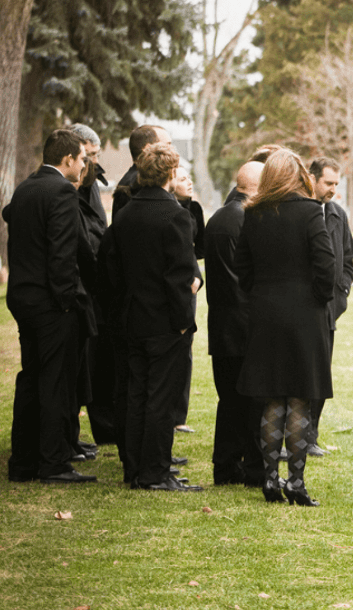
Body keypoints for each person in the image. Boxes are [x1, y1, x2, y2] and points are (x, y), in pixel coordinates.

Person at [235, 150, 336, 506]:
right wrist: (318, 299)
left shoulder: (253, 214)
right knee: (299, 397)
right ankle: (295, 481)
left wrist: (260, 295)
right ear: (298, 177)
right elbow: (326, 265)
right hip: (304, 315)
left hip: (265, 313)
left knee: (273, 396)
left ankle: (269, 478)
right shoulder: (310, 211)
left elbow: (242, 268)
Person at [104, 142, 203, 492]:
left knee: (135, 395)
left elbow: (112, 268)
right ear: (171, 173)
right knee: (161, 398)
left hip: (132, 317)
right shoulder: (175, 215)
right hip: (164, 321)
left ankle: (134, 468)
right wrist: (181, 319)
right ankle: (156, 472)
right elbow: (179, 275)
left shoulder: (126, 213)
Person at [5, 129, 95, 484]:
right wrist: (67, 300)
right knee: (56, 382)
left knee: (31, 378)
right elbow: (62, 253)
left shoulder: (26, 187)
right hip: (51, 303)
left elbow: (10, 213)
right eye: (82, 159)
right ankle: (54, 462)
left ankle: (23, 462)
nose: (85, 165)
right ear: (68, 159)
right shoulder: (60, 190)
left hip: (23, 297)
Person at [204, 160, 266, 487]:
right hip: (241, 328)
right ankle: (241, 467)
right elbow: (243, 281)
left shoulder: (221, 216)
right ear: (254, 187)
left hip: (224, 324)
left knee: (230, 402)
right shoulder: (241, 220)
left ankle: (227, 466)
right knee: (246, 403)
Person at [307, 157, 353, 458]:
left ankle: (311, 435)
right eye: (329, 183)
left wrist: (343, 291)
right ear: (312, 179)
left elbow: (348, 257)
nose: (333, 190)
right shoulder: (302, 211)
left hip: (329, 310)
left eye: (337, 184)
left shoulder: (337, 214)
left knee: (321, 374)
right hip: (303, 307)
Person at [69, 124, 112, 452]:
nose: (92, 163)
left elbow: (97, 226)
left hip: (94, 284)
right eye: (88, 155)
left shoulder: (91, 182)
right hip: (78, 286)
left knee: (92, 363)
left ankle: (90, 429)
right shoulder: (68, 188)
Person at [169, 165, 205, 434]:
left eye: (189, 177)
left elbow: (200, 248)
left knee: (186, 350)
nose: (188, 183)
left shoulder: (194, 209)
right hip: (175, 283)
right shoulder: (170, 211)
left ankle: (180, 415)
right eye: (182, 179)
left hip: (190, 281)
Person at [112, 124, 172, 217]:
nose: (171, 151)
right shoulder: (145, 182)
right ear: (147, 148)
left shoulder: (127, 182)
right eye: (166, 145)